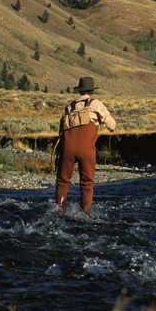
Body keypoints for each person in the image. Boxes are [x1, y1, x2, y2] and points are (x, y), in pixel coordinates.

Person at [55, 76, 116, 215]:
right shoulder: (95, 104)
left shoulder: (69, 106)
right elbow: (111, 124)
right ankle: (85, 215)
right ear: (92, 91)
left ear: (80, 91)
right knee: (87, 183)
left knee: (62, 181)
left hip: (67, 150)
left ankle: (58, 212)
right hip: (86, 151)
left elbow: (61, 130)